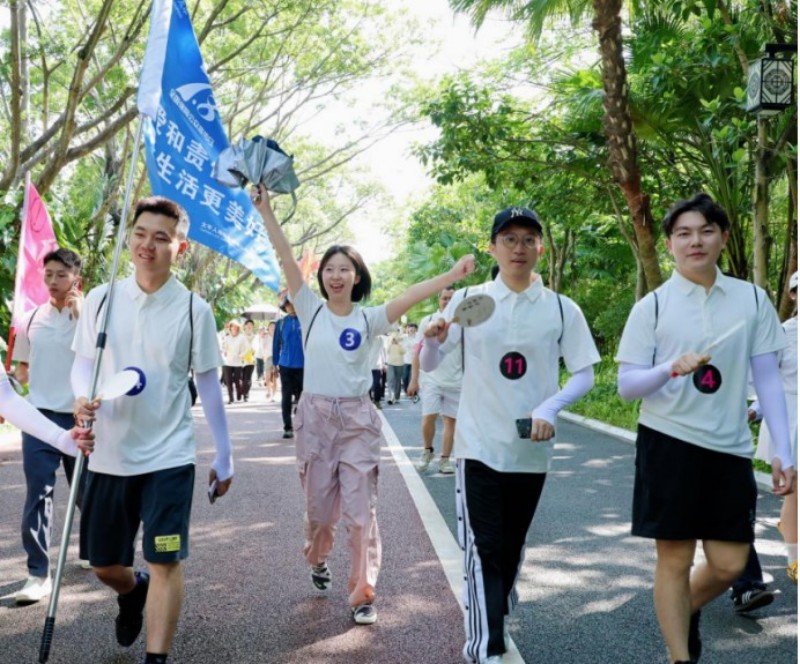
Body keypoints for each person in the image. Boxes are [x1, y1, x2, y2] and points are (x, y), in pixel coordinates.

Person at [252, 183, 475, 626]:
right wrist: (266, 210)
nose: (336, 276)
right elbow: (286, 256)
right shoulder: (309, 308)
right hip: (316, 419)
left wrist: (451, 275)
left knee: (360, 513)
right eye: (330, 269)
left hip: (357, 421)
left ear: (357, 277)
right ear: (321, 277)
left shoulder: (369, 318)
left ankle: (362, 593)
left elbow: (412, 295)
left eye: (345, 269)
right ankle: (318, 558)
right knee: (320, 514)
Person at [615, 193, 796, 664]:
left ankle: (680, 609)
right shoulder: (653, 307)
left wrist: (784, 450)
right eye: (683, 233)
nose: (695, 241)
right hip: (667, 441)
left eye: (705, 231)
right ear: (670, 244)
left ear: (723, 238)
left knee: (730, 564)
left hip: (729, 447)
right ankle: (680, 656)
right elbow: (627, 387)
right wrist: (668, 369)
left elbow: (768, 379)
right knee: (674, 559)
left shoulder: (752, 299)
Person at [420, 206, 600, 664]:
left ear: (541, 248)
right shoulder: (471, 300)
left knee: (511, 546)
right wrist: (434, 340)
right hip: (477, 443)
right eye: (509, 239)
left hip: (530, 448)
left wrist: (549, 407)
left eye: (528, 239)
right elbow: (433, 363)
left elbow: (584, 374)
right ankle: (486, 647)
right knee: (484, 549)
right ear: (492, 247)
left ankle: (497, 601)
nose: (519, 248)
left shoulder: (560, 308)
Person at [72, 196, 234, 664]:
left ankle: (156, 659)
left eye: (161, 237)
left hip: (169, 455)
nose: (148, 245)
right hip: (109, 453)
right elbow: (82, 366)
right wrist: (80, 397)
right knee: (105, 565)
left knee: (165, 558)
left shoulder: (194, 310)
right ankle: (132, 591)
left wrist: (224, 456)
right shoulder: (101, 299)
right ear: (130, 237)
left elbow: (209, 385)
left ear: (180, 247)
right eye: (140, 234)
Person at [11, 247, 90, 604]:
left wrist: (84, 316)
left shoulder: (91, 318)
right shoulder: (30, 319)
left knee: (86, 491)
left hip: (80, 418)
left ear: (76, 279)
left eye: (61, 274)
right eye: (49, 275)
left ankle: (91, 547)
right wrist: (11, 388)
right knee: (38, 494)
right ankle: (37, 574)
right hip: (39, 418)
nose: (54, 281)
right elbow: (22, 372)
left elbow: (106, 359)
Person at [754, 270, 798, 583]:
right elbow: (766, 381)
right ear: (793, 295)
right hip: (790, 420)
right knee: (795, 495)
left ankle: (790, 528)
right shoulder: (781, 334)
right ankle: (795, 562)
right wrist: (755, 409)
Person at [408, 287, 461, 475]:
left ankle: (445, 459)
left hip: (456, 380)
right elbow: (417, 352)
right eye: (444, 298)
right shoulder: (428, 321)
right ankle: (427, 450)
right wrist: (414, 380)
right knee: (428, 417)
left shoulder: (462, 322)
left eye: (451, 299)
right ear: (439, 300)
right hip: (431, 379)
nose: (447, 302)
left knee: (450, 422)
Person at [273, 297, 304, 438]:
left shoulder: (306, 321)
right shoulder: (281, 323)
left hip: (303, 365)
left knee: (303, 397)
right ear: (284, 307)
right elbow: (276, 345)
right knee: (286, 396)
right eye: (288, 305)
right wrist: (274, 364)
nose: (291, 307)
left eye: (293, 304)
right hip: (285, 365)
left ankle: (302, 420)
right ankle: (287, 427)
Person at [221, 319, 247, 404]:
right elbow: (224, 348)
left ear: (238, 328)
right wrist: (224, 350)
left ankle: (239, 392)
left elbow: (245, 349)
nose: (234, 328)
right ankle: (231, 398)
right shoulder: (227, 337)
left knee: (237, 380)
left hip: (238, 362)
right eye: (233, 326)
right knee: (228, 381)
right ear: (230, 328)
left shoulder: (241, 338)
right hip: (227, 362)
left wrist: (241, 355)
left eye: (236, 327)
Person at [384, 325, 406, 404]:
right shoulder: (389, 339)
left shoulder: (402, 339)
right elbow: (387, 350)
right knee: (390, 379)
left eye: (396, 330)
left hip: (399, 363)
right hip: (390, 363)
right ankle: (391, 397)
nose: (394, 332)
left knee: (397, 380)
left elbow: (404, 351)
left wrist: (398, 344)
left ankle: (397, 397)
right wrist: (391, 343)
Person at [241, 318, 257, 402]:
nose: (249, 326)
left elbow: (257, 348)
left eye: (251, 325)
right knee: (242, 377)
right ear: (245, 326)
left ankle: (246, 394)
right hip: (241, 359)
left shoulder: (255, 337)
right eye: (248, 325)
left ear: (253, 327)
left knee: (248, 378)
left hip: (251, 360)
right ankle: (243, 391)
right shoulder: (241, 336)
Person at [402, 322, 417, 395]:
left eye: (413, 330)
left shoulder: (417, 338)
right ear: (407, 329)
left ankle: (412, 392)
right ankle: (406, 390)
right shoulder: (404, 338)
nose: (412, 331)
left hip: (414, 361)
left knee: (412, 377)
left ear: (415, 330)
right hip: (405, 361)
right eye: (410, 329)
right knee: (405, 377)